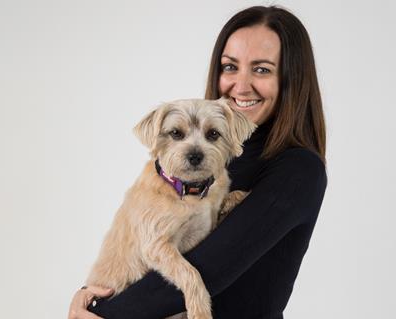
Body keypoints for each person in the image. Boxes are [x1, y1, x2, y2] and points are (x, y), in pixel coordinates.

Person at [69, 5, 327, 319]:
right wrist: (90, 300)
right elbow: (142, 249)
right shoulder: (210, 160)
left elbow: (211, 267)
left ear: (291, 79)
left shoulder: (298, 170)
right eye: (230, 67)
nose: (241, 85)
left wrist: (105, 315)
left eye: (261, 69)